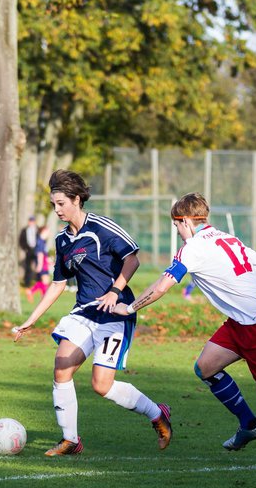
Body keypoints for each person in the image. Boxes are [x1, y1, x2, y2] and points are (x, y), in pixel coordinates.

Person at [117, 193, 256, 467]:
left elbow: (162, 286)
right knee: (205, 367)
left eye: (177, 225)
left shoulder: (193, 248)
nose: (178, 231)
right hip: (241, 323)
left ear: (185, 220)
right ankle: (249, 424)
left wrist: (129, 308)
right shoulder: (226, 237)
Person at [12, 169, 172, 456]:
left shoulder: (101, 228)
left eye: (61, 203)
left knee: (101, 385)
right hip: (84, 314)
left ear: (76, 199)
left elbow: (132, 259)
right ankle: (70, 440)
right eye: (53, 204)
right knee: (61, 368)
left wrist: (114, 290)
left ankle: (157, 413)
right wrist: (30, 320)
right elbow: (59, 283)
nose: (57, 209)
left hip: (115, 314)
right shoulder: (62, 241)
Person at [20, 215, 40, 287]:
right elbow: (21, 241)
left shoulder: (37, 229)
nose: (31, 223)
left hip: (36, 249)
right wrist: (25, 248)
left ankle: (38, 282)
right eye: (30, 221)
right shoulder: (24, 230)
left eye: (33, 221)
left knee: (38, 265)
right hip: (28, 250)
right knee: (28, 267)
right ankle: (27, 283)